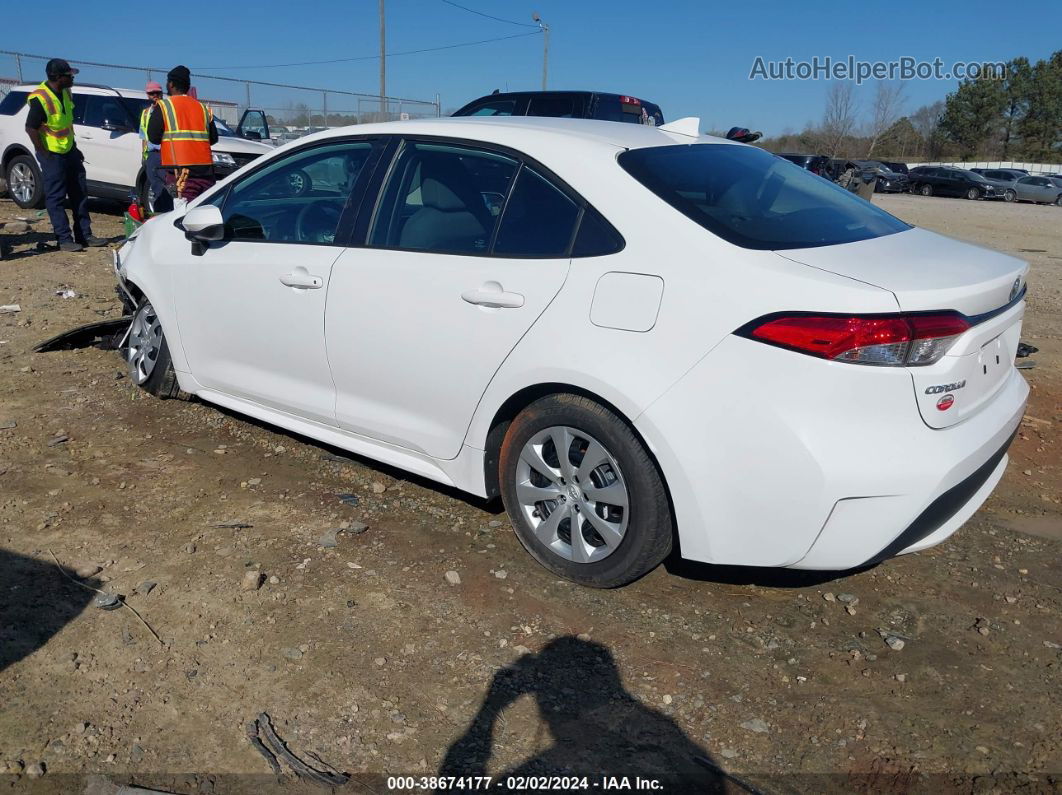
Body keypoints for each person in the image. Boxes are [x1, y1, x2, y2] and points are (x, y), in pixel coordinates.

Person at [24, 58, 106, 252]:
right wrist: (43, 152)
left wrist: (74, 147)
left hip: (69, 151)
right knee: (56, 197)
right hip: (52, 154)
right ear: (59, 77)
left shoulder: (66, 93)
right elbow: (30, 128)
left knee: (79, 192)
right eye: (70, 75)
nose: (73, 78)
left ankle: (84, 235)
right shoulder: (40, 98)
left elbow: (66, 125)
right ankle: (64, 239)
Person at [146, 65, 218, 203]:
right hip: (206, 174)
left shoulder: (164, 106)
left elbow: (153, 137)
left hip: (180, 174)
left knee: (183, 218)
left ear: (171, 84)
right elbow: (213, 138)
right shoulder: (203, 108)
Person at [139, 81, 173, 214]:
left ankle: (169, 212)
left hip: (166, 153)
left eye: (157, 92)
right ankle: (160, 213)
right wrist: (144, 155)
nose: (155, 95)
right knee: (156, 186)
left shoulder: (168, 110)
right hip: (152, 154)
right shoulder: (146, 113)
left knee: (169, 186)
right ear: (147, 95)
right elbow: (143, 135)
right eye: (151, 93)